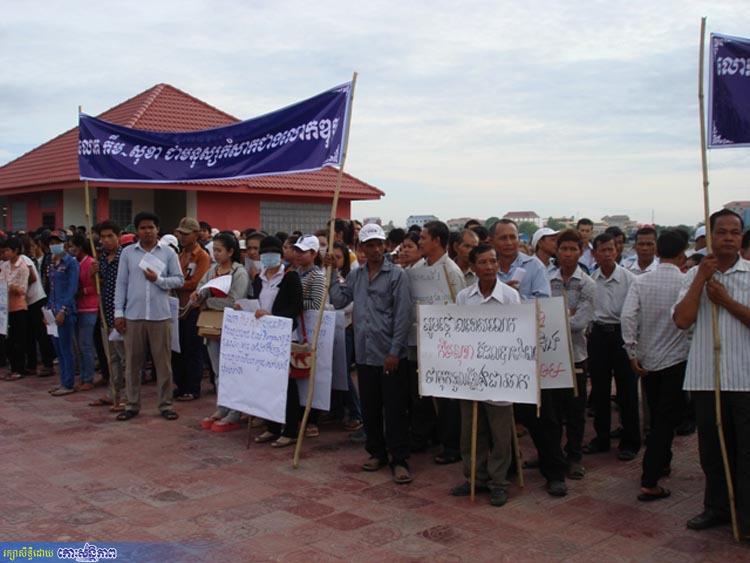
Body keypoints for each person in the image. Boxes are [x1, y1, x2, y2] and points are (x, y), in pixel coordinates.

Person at [674, 209, 750, 534]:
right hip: (707, 376)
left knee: (746, 451)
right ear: (710, 235)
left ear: (741, 237)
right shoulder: (694, 275)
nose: (729, 238)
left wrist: (727, 301)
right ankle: (716, 507)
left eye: (735, 232)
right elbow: (682, 320)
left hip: (744, 377)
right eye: (722, 232)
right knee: (712, 450)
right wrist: (701, 280)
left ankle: (745, 515)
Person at [328, 223, 413, 484]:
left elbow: (403, 316)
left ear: (385, 245)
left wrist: (394, 351)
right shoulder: (356, 276)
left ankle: (399, 459)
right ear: (361, 248)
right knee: (370, 407)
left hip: (390, 354)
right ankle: (377, 452)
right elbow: (339, 300)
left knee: (395, 410)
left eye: (379, 244)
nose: (375, 249)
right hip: (365, 354)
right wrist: (331, 272)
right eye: (369, 245)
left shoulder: (397, 275)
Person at [621, 228, 689, 502]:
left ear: (658, 252)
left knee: (658, 416)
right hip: (676, 360)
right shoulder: (686, 282)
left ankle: (662, 462)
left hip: (647, 360)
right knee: (664, 421)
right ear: (682, 255)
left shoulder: (641, 282)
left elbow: (628, 317)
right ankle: (650, 478)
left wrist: (632, 351)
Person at [450, 243, 520, 507]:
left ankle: (499, 482)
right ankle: (474, 477)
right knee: (471, 430)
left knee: (501, 434)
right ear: (473, 267)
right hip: (471, 374)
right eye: (483, 262)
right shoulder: (464, 298)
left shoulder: (510, 297)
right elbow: (458, 333)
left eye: (493, 261)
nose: (489, 267)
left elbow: (518, 334)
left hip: (502, 375)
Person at [114, 212, 184, 421]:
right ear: (137, 231)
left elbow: (179, 280)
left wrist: (158, 280)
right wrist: (119, 312)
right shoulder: (128, 253)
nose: (147, 231)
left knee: (163, 364)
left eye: (151, 227)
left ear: (157, 229)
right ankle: (132, 404)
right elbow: (121, 283)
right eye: (143, 228)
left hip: (160, 316)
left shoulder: (168, 253)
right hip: (133, 315)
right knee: (132, 364)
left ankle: (165, 404)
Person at [583, 233, 640, 460]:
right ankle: (602, 438)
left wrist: (633, 343)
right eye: (602, 250)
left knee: (627, 391)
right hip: (598, 336)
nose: (607, 254)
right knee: (599, 390)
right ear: (594, 254)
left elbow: (635, 314)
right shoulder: (590, 280)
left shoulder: (630, 279)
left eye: (611, 249)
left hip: (621, 336)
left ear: (617, 251)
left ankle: (630, 441)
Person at [415, 221, 467, 465]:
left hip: (447, 345)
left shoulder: (451, 271)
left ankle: (452, 446)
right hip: (425, 341)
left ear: (437, 241)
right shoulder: (420, 267)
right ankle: (432, 437)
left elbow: (459, 310)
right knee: (428, 395)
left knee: (448, 399)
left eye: (423, 238)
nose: (420, 242)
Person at [548, 229, 596, 481]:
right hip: (551, 356)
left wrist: (557, 317)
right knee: (553, 412)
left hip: (576, 355)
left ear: (581, 251)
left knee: (575, 411)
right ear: (557, 251)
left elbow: (579, 323)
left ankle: (574, 456)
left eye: (572, 249)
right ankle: (552, 454)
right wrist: (567, 313)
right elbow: (540, 316)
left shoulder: (588, 284)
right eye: (563, 249)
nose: (567, 254)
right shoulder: (548, 281)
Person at [251, 236, 304, 446]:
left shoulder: (290, 277)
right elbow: (254, 301)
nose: (268, 257)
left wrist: (273, 317)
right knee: (267, 383)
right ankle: (271, 426)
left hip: (283, 335)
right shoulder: (258, 278)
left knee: (287, 385)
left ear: (281, 256)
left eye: (273, 253)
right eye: (264, 253)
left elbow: (296, 307)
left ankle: (290, 429)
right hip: (262, 337)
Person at [196, 232, 249, 432]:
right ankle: (223, 406)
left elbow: (235, 301)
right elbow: (200, 288)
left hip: (233, 328)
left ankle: (235, 411)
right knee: (218, 370)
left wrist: (207, 301)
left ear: (231, 251)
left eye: (219, 250)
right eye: (214, 250)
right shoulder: (212, 270)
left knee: (233, 371)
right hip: (212, 326)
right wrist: (197, 296)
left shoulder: (239, 273)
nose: (215, 254)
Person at [88, 221, 127, 411]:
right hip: (105, 314)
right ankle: (113, 393)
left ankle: (127, 396)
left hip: (122, 314)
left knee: (126, 358)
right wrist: (93, 274)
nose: (106, 240)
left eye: (110, 236)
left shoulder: (125, 257)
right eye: (102, 237)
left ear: (118, 236)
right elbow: (100, 284)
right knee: (111, 358)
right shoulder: (101, 258)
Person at [292, 234, 327, 439]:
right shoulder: (296, 273)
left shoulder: (318, 276)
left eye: (302, 251)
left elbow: (316, 304)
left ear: (313, 254)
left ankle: (312, 418)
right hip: (298, 329)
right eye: (296, 250)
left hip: (313, 330)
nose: (298, 254)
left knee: (313, 373)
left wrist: (294, 304)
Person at [173, 217, 211, 401]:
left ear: (196, 235)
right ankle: (181, 385)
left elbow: (197, 282)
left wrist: (173, 283)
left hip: (193, 307)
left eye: (186, 234)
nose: (182, 237)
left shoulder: (202, 256)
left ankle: (192, 387)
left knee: (192, 349)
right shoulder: (180, 255)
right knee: (178, 349)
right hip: (177, 307)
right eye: (181, 233)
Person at [46, 231, 79, 395]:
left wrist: (63, 310)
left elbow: (72, 289)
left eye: (57, 242)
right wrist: (47, 311)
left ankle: (68, 383)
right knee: (58, 349)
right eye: (51, 243)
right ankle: (62, 381)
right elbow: (51, 289)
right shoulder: (53, 263)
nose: (54, 245)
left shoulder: (71, 263)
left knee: (66, 349)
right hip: (52, 310)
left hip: (65, 311)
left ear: (65, 244)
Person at [19, 234, 54, 377]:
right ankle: (31, 365)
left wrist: (19, 287)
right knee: (29, 334)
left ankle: (48, 364)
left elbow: (32, 277)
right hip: (26, 301)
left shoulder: (25, 259)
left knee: (41, 333)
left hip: (36, 299)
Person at [489, 219, 551, 299]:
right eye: (503, 238)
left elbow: (544, 301)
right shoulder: (485, 267)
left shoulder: (535, 266)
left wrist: (514, 296)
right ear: (491, 241)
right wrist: (500, 293)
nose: (509, 243)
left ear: (518, 239)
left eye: (513, 237)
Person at [68, 234, 99, 391]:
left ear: (80, 247)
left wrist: (81, 291)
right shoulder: (74, 263)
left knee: (85, 344)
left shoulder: (90, 263)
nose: (70, 249)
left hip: (89, 307)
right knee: (79, 345)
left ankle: (88, 378)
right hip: (77, 307)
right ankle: (83, 375)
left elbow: (95, 287)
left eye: (72, 246)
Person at [0, 238, 30, 381]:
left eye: (7, 250)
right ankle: (12, 368)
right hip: (5, 307)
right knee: (8, 340)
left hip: (18, 307)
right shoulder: (5, 265)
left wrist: (11, 286)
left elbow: (22, 289)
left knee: (19, 339)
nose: (5, 253)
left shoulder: (23, 267)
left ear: (16, 251)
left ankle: (20, 368)